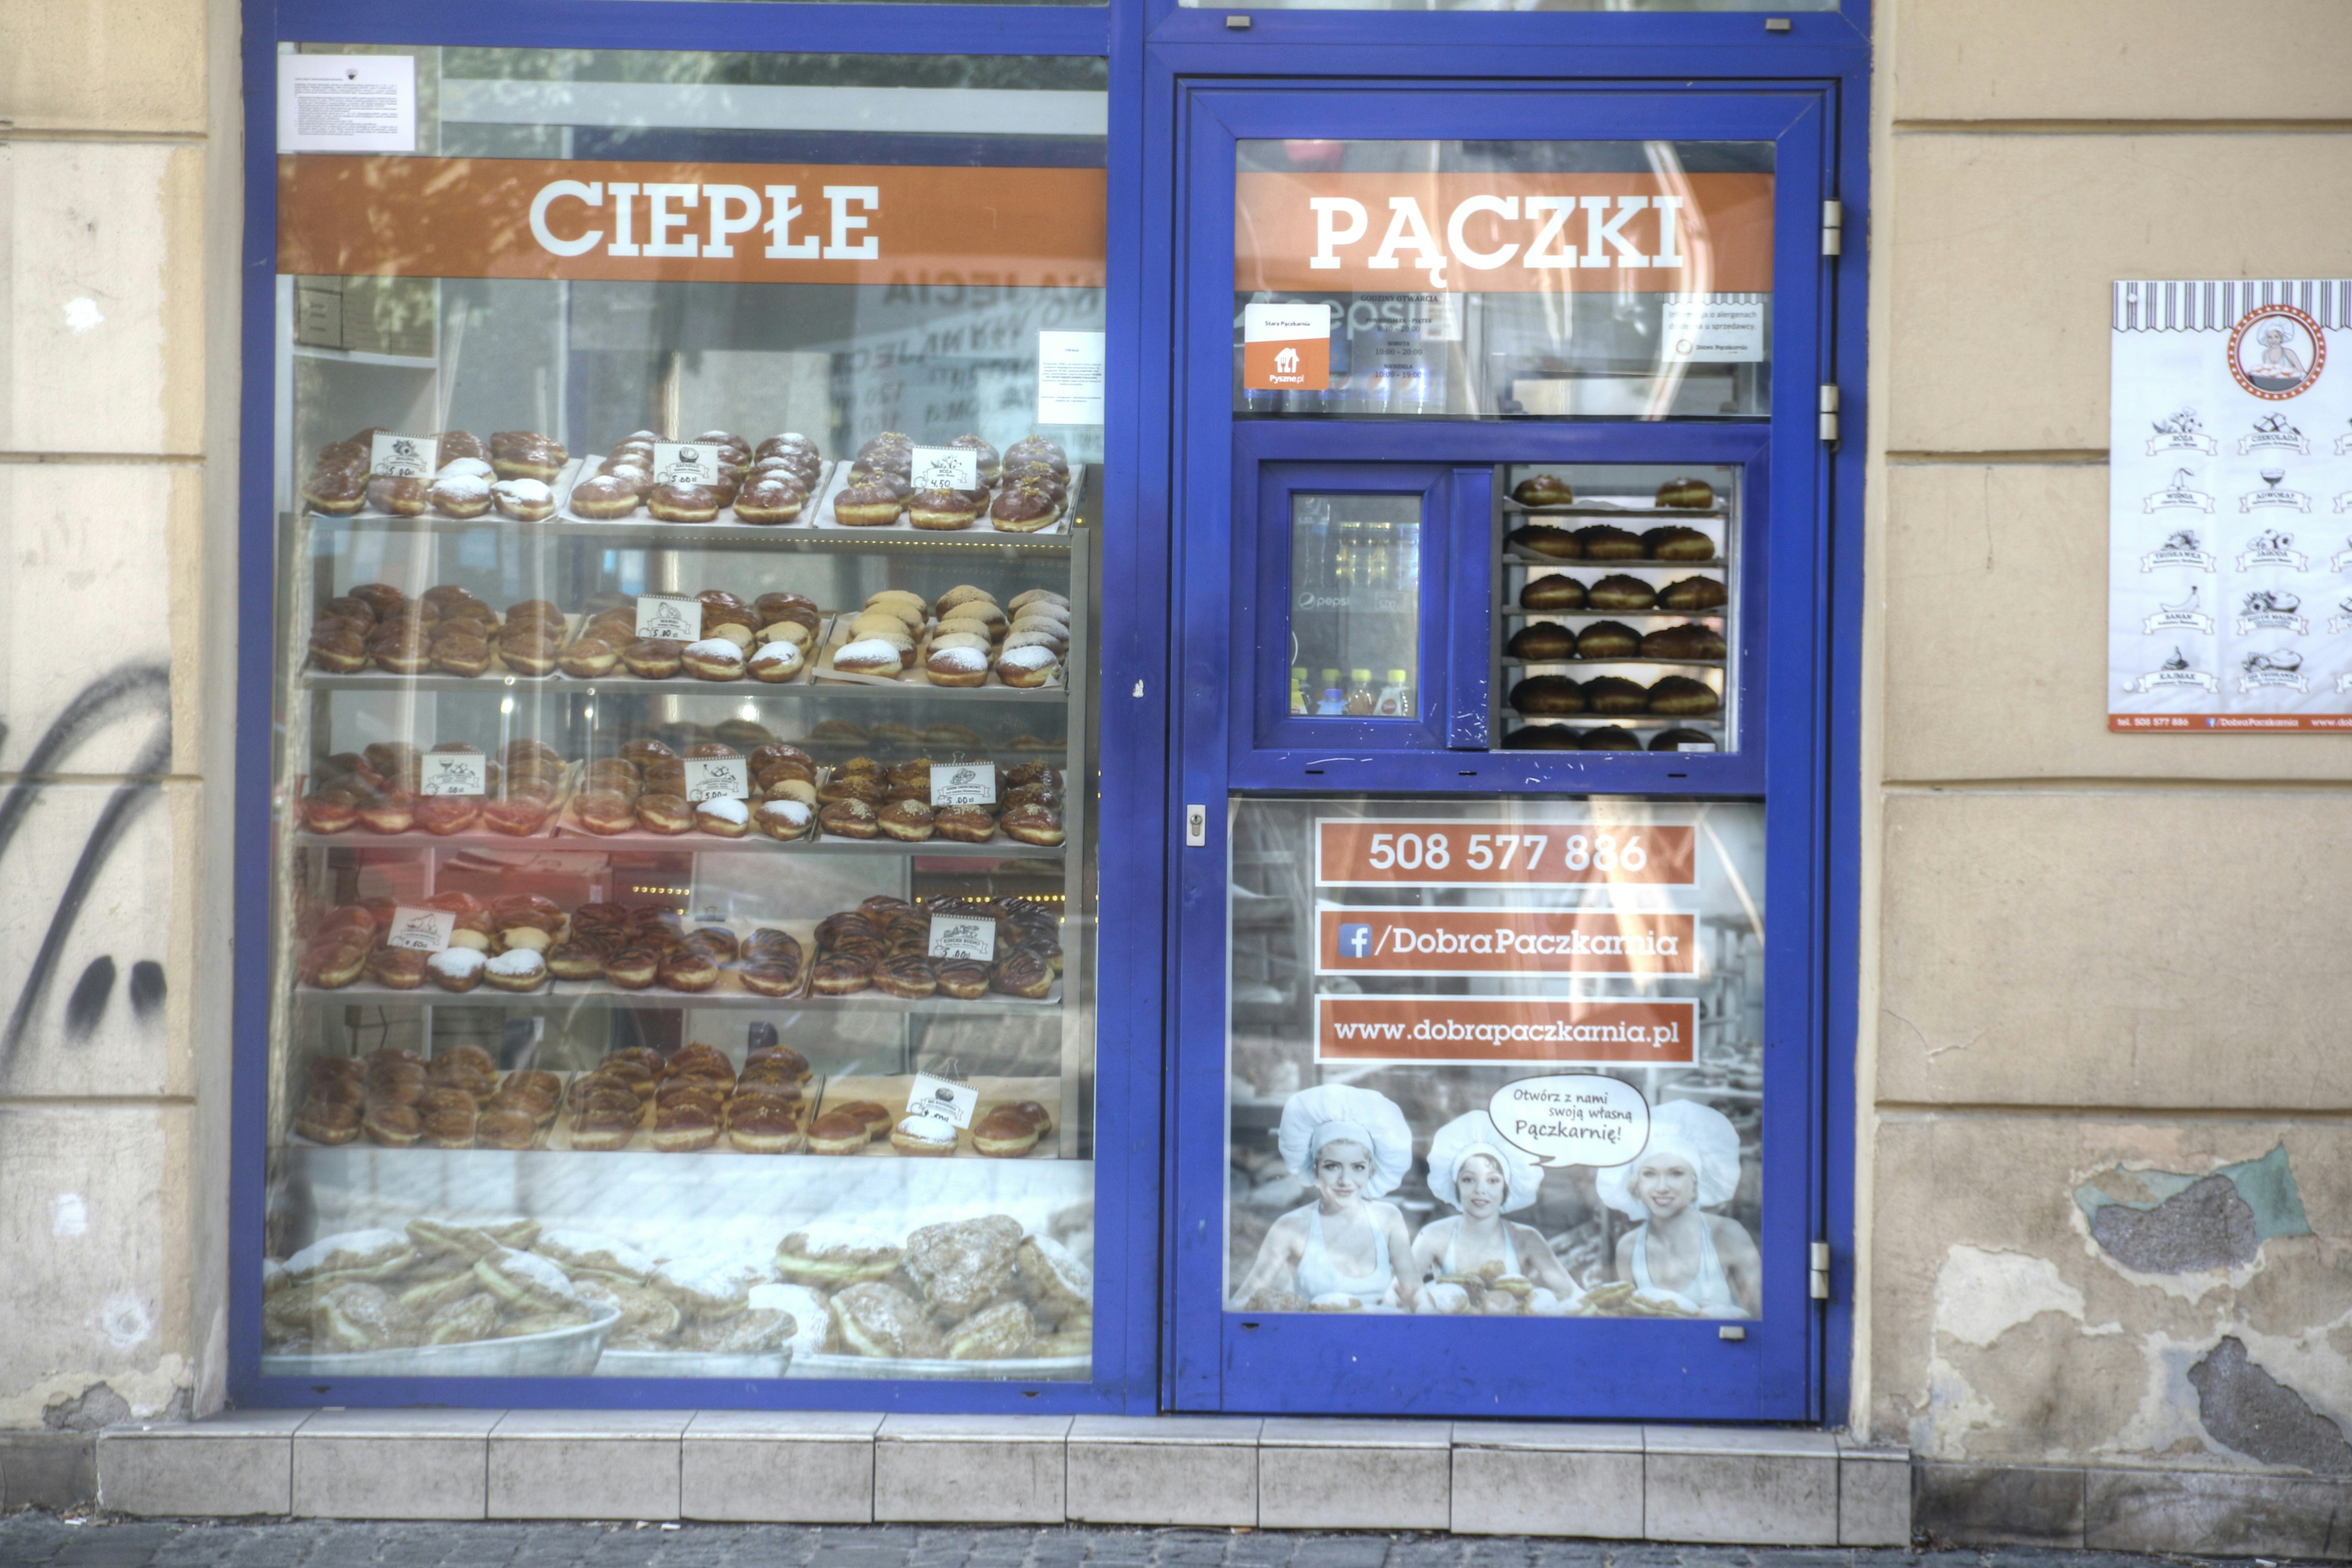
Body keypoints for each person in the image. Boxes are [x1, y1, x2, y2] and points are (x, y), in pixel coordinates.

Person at [1231, 1083, 1418, 1311]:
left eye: (1358, 1167)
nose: (1345, 1180)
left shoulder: (1389, 1219)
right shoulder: (1291, 1226)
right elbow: (1243, 1301)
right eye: (1332, 1167)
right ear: (1315, 1168)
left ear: (1371, 1170)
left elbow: (1414, 1291)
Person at [1598, 1098, 1761, 1318]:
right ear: (1635, 1184)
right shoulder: (1629, 1248)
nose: (1662, 1187)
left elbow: (1765, 1321)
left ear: (1696, 1182)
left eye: (1676, 1174)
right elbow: (1631, 1327)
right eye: (1649, 1174)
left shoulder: (1727, 1236)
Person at [1409, 1110, 1582, 1309]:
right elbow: (1401, 1292)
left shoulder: (1527, 1239)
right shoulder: (1433, 1236)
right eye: (1468, 1180)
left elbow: (1572, 1292)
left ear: (1506, 1188)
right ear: (1455, 1185)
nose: (1480, 1190)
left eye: (1493, 1181)